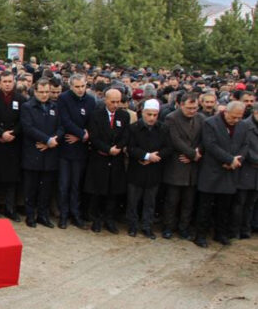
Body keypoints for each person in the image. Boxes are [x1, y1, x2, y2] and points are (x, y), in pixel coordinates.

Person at [194, 101, 246, 247]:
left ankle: (220, 233)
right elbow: (210, 145)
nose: (236, 121)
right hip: (213, 170)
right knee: (205, 207)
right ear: (226, 112)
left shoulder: (242, 126)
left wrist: (236, 160)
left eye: (239, 118)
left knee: (224, 207)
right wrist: (229, 159)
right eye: (233, 117)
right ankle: (201, 235)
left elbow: (245, 145)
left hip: (230, 172)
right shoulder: (211, 123)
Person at [83, 88, 129, 234]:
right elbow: (94, 137)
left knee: (113, 192)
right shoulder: (96, 115)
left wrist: (119, 147)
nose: (115, 105)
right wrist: (108, 149)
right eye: (113, 101)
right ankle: (96, 219)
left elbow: (126, 135)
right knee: (98, 191)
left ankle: (109, 220)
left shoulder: (124, 115)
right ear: (105, 100)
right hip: (100, 158)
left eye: (118, 102)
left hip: (116, 159)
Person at [161, 92, 204, 240]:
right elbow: (174, 140)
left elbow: (203, 139)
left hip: (192, 167)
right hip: (176, 164)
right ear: (181, 105)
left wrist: (196, 154)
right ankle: (168, 227)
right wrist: (192, 154)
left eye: (195, 108)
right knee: (172, 200)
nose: (192, 111)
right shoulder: (171, 118)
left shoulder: (201, 119)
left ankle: (183, 227)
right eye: (189, 108)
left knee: (188, 201)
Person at [125, 99, 170, 239]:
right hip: (137, 169)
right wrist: (146, 156)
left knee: (150, 201)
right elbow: (130, 147)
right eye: (149, 114)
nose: (151, 118)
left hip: (154, 170)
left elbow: (168, 148)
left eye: (154, 115)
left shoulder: (163, 128)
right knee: (133, 200)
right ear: (142, 113)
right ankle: (132, 226)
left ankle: (147, 226)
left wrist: (155, 157)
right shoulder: (133, 128)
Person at [21, 79, 62, 228]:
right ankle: (30, 215)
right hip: (33, 152)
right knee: (31, 187)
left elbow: (61, 127)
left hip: (50, 153)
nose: (45, 95)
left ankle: (43, 215)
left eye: (47, 92)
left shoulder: (55, 107)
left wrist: (52, 141)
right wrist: (46, 139)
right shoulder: (27, 107)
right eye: (41, 92)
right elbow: (28, 127)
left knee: (46, 188)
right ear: (35, 91)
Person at [57, 74, 95, 229]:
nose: (80, 90)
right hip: (66, 147)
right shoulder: (63, 98)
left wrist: (83, 136)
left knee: (76, 185)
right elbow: (65, 120)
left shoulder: (91, 100)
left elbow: (92, 122)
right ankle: (63, 215)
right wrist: (81, 133)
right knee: (64, 184)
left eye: (83, 86)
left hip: (81, 148)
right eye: (77, 87)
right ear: (71, 86)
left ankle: (76, 214)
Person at [0, 71, 24, 220]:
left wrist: (13, 133)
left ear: (13, 82)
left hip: (13, 143)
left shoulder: (21, 99)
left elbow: (23, 121)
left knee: (11, 179)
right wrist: (1, 133)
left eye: (10, 81)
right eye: (4, 81)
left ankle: (10, 208)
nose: (7, 84)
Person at [233, 105, 258, 239]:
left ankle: (246, 228)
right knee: (239, 202)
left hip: (255, 173)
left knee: (250, 202)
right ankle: (235, 229)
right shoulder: (245, 125)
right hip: (246, 169)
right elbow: (244, 147)